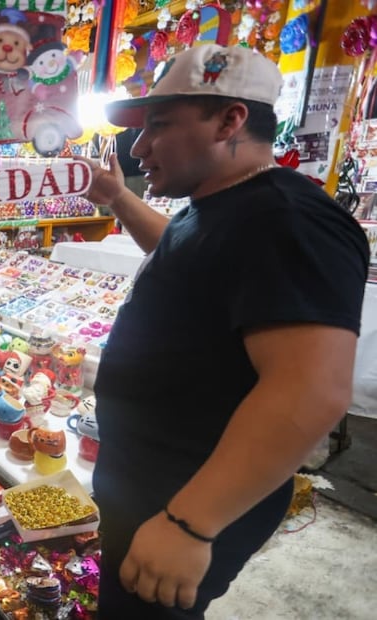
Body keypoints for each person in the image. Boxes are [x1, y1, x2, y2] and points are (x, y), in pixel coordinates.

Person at [78, 45, 370, 617]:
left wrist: (190, 524)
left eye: (158, 126)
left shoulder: (287, 219)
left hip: (187, 496)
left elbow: (311, 389)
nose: (138, 148)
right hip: (153, 481)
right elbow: (188, 253)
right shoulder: (221, 206)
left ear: (231, 120)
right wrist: (118, 200)